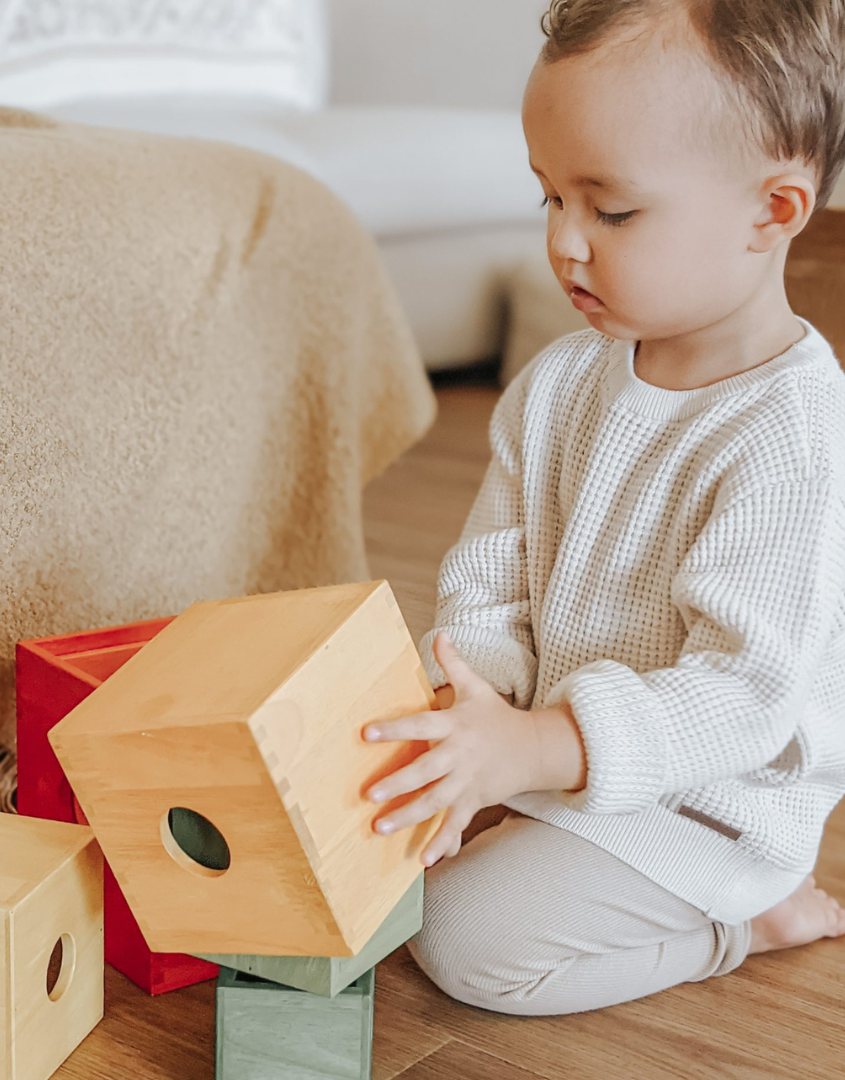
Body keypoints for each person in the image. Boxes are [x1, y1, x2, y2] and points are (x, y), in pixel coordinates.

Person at [360, 0, 845, 1016]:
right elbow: (490, 577)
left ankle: (744, 921)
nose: (564, 245)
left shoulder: (790, 432)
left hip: (700, 807)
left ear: (775, 211)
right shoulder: (558, 383)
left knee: (461, 944)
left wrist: (533, 753)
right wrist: (474, 716)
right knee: (362, 832)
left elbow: (744, 697)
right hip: (555, 752)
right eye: (548, 198)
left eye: (610, 210)